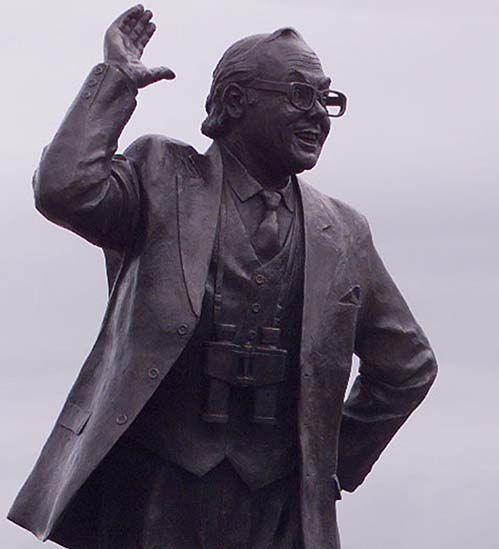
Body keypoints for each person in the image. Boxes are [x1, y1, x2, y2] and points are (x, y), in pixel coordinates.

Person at [8, 6, 437, 548]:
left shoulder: (343, 231)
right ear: (236, 100)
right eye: (300, 96)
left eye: (326, 100)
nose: (318, 116)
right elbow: (64, 189)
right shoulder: (162, 175)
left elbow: (408, 367)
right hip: (156, 490)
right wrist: (115, 80)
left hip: (279, 512)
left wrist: (323, 464)